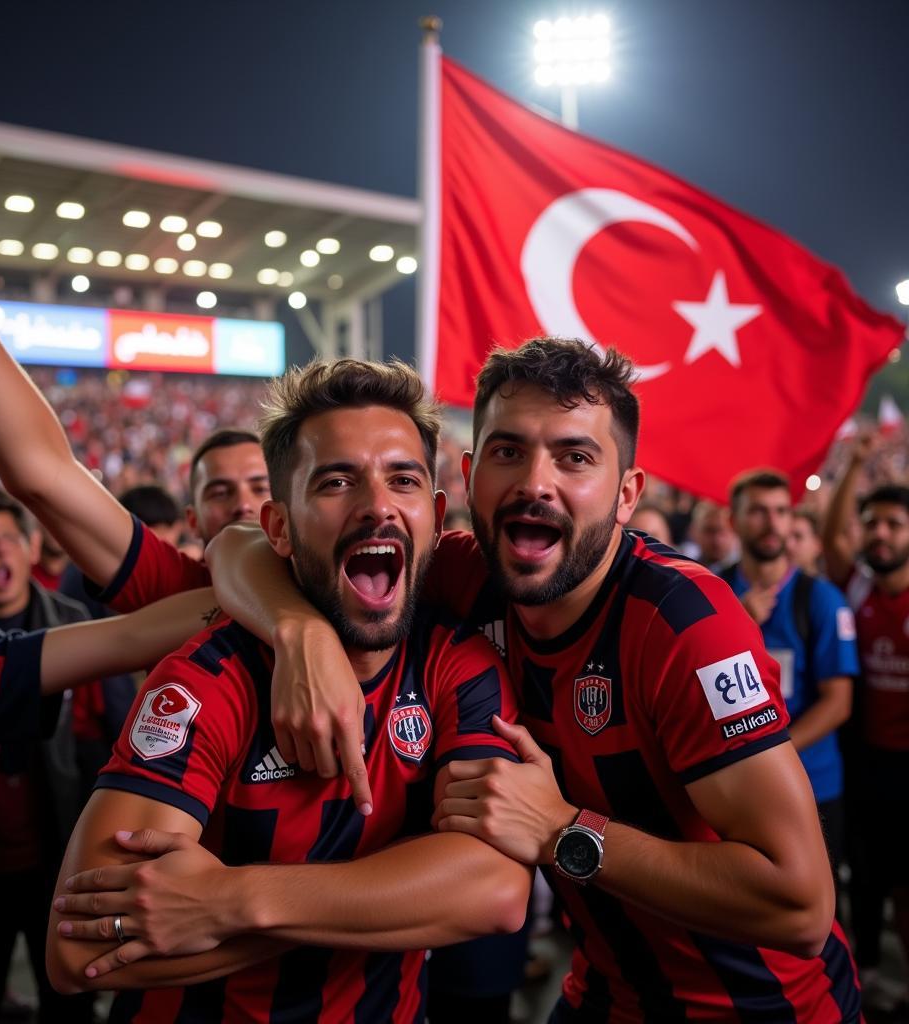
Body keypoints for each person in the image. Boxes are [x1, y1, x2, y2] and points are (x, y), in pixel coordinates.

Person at [207, 339, 860, 1021]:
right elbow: (239, 545)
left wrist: (562, 830)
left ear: (627, 494)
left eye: (575, 457)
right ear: (468, 475)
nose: (534, 483)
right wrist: (297, 631)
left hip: (767, 1009)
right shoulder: (465, 574)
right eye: (508, 451)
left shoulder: (683, 624)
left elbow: (801, 904)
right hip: (605, 994)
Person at [0, 41, 376, 813]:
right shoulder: (185, 593)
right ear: (193, 521)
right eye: (222, 496)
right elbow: (41, 472)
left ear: (293, 503)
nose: (244, 508)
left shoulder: (418, 601)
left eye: (260, 486)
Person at [45, 359, 531, 1022]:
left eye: (403, 479)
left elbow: (496, 892)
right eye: (336, 481)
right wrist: (395, 899)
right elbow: (76, 953)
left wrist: (232, 901)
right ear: (278, 528)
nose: (377, 504)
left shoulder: (460, 663)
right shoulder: (207, 679)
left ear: (436, 516)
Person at [0, 471, 223, 1018]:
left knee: (67, 999)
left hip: (53, 857)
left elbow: (126, 660)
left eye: (6, 539)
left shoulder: (64, 624)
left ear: (33, 545)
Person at [722, 469, 857, 869]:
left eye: (781, 511)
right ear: (734, 521)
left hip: (811, 785)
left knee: (821, 917)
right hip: (730, 789)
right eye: (759, 511)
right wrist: (736, 624)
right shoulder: (711, 593)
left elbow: (838, 703)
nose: (772, 523)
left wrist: (770, 756)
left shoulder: (822, 600)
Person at [822, 433, 909, 1010]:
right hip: (865, 766)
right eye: (871, 523)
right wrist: (853, 465)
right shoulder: (854, 587)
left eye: (893, 525)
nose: (879, 534)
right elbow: (832, 538)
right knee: (867, 881)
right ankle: (872, 977)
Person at [688, 499, 738, 572]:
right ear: (694, 531)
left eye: (722, 531)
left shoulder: (746, 574)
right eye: (709, 531)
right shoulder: (687, 569)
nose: (717, 540)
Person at [788, 504, 824, 574]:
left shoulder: (827, 585)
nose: (789, 544)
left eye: (798, 537)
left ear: (817, 545)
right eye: (786, 537)